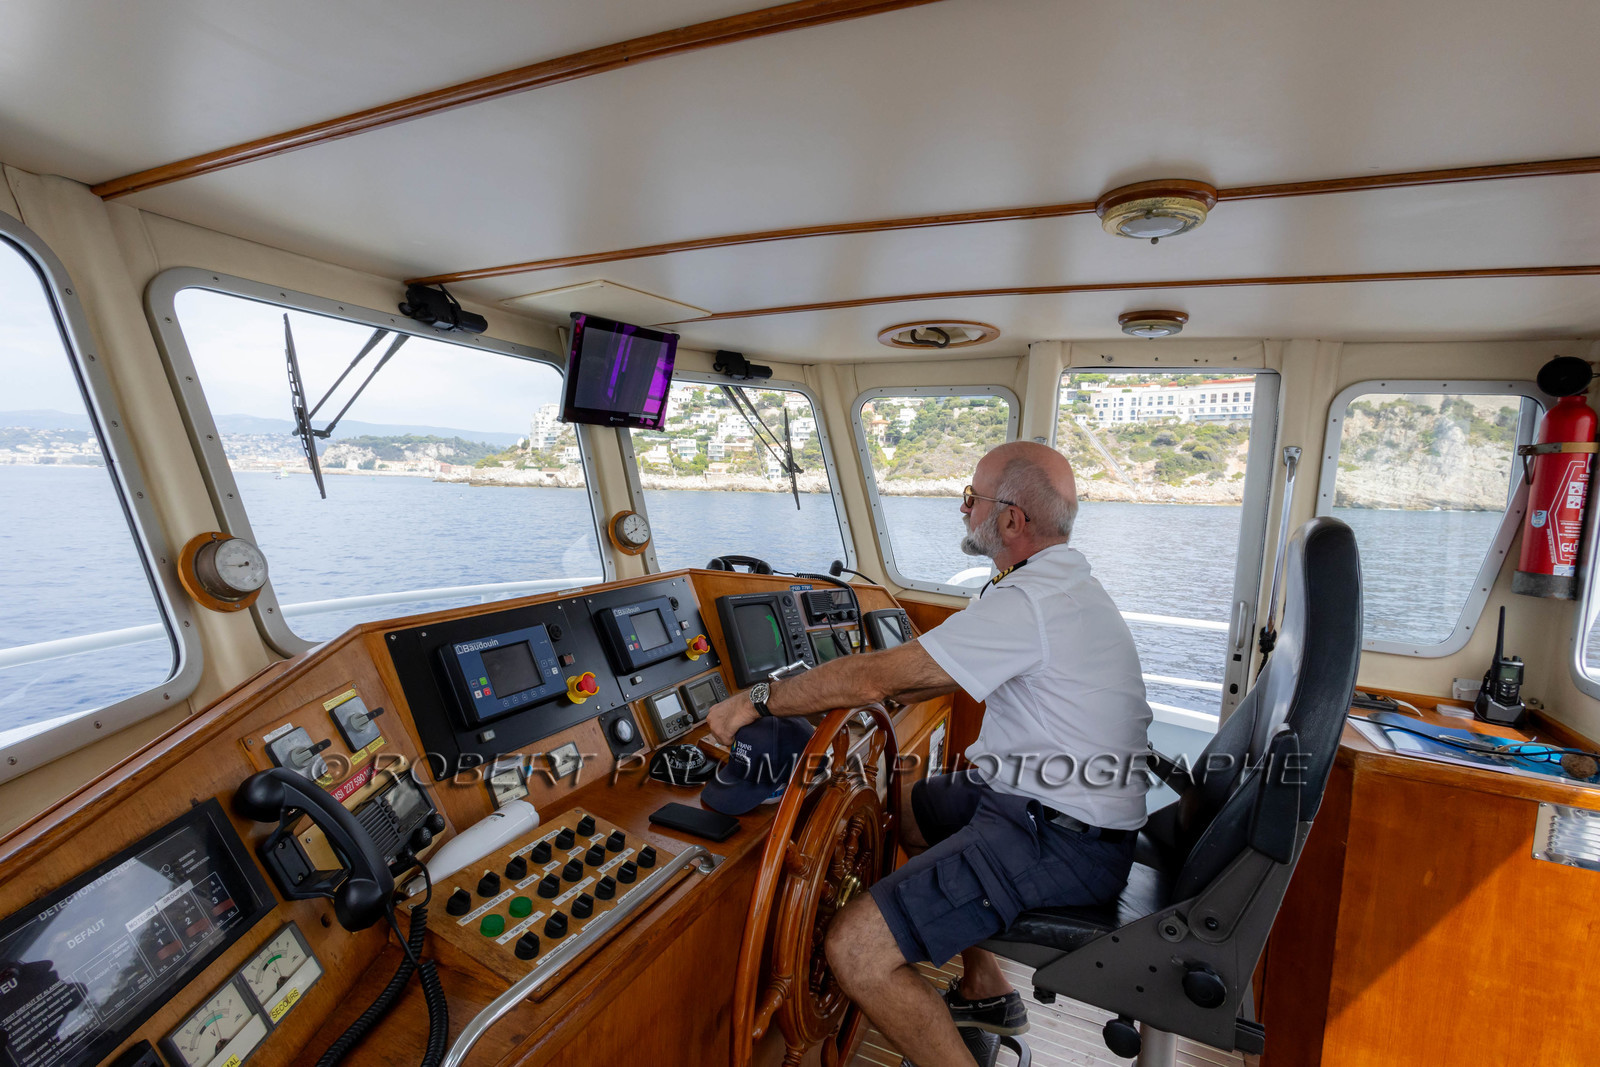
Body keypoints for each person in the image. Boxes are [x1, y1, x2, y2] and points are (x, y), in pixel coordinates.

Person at [706, 440, 1152, 1067]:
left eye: (971, 498)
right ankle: (986, 983)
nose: (961, 508)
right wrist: (878, 683)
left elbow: (876, 681)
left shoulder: (1030, 603)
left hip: (1056, 839)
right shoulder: (1055, 584)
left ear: (1011, 520)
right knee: (911, 802)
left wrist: (758, 700)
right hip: (1060, 813)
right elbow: (910, 678)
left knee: (854, 950)